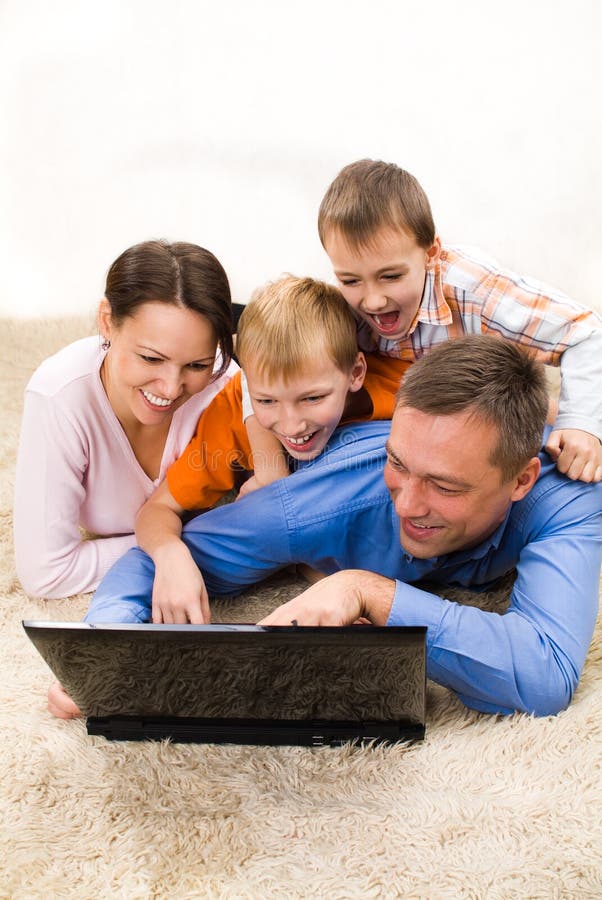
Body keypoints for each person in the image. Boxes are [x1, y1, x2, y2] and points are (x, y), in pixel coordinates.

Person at [77, 335, 601, 720]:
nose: (407, 505)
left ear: (521, 480)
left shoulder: (570, 497)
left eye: (445, 486)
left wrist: (368, 591)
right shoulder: (325, 498)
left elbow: (544, 676)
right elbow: (149, 565)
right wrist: (100, 653)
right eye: (400, 464)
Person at [247, 159, 602, 489]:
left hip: (494, 407)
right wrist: (269, 469)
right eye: (351, 280)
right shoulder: (345, 308)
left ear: (430, 253)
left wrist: (581, 423)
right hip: (420, 419)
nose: (372, 300)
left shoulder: (474, 290)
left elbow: (586, 333)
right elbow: (258, 366)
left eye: (390, 276)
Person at [132, 274, 405, 626]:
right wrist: (171, 556)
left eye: (313, 398)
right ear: (249, 389)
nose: (292, 426)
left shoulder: (400, 385)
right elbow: (156, 510)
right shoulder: (231, 413)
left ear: (355, 372)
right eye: (266, 401)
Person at [14, 239, 238, 600]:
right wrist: (172, 551)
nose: (169, 388)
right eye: (150, 358)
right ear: (107, 322)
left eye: (196, 364)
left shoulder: (225, 389)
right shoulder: (59, 396)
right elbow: (46, 573)